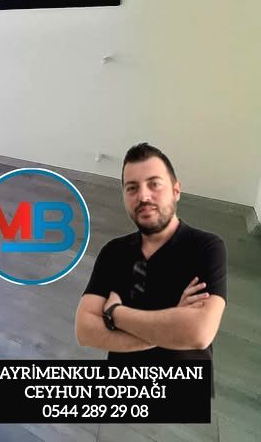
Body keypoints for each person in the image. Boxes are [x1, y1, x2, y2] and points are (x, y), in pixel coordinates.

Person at [75, 143, 227, 371]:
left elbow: (198, 333)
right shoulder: (113, 252)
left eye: (154, 184)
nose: (143, 196)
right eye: (132, 188)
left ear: (176, 191)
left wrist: (115, 313)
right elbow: (85, 330)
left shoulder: (206, 247)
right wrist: (171, 327)